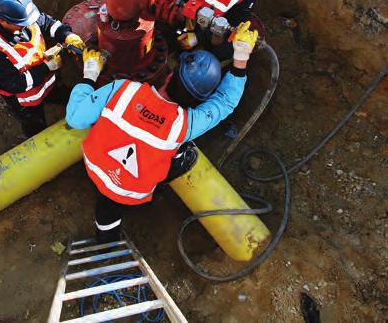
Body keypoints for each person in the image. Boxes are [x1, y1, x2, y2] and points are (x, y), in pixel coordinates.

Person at [65, 22, 259, 242]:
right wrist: (241, 57)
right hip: (134, 190)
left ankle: (106, 237)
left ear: (169, 76)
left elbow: (75, 118)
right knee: (188, 154)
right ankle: (153, 192)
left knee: (107, 200)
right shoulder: (185, 125)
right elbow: (225, 102)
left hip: (94, 166)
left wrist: (90, 73)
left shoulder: (125, 90)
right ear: (201, 101)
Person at [0, 0, 85, 138]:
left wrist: (67, 35)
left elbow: (47, 22)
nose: (29, 24)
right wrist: (46, 67)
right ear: (2, 20)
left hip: (49, 82)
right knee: (35, 127)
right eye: (23, 23)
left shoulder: (25, 18)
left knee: (64, 95)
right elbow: (13, 84)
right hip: (26, 102)